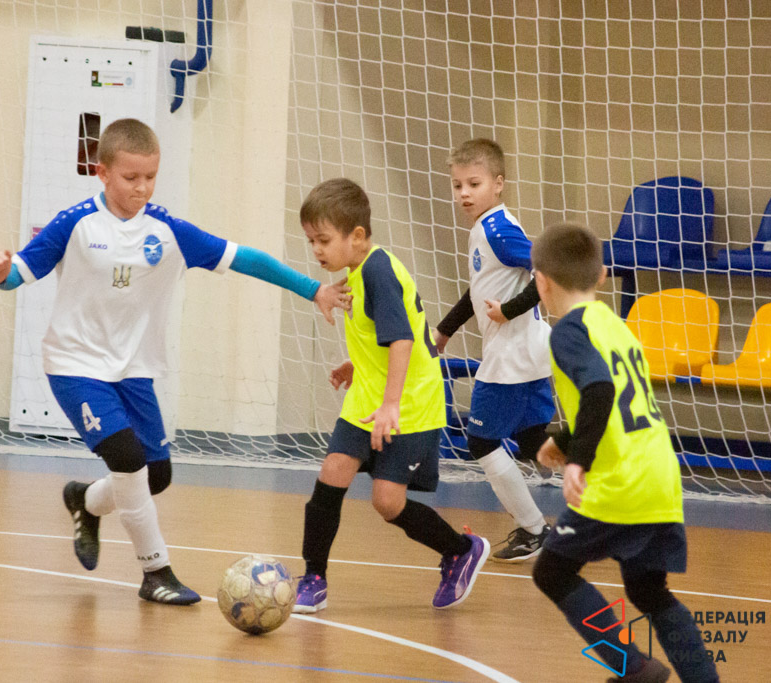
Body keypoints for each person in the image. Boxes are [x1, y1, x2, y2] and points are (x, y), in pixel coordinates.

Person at [0, 118, 350, 606]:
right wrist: (0, 274)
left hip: (134, 371)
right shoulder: (74, 224)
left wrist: (314, 289)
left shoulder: (169, 231)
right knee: (127, 459)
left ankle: (85, 500)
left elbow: (246, 259)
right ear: (102, 173)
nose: (142, 187)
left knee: (156, 475)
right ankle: (156, 573)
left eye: (151, 177)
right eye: (131, 177)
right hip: (75, 365)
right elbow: (19, 274)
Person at [531, 223, 719, 683]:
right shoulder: (617, 325)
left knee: (552, 572)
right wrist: (565, 440)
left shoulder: (568, 331)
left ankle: (632, 668)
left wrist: (578, 460)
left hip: (620, 479)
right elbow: (616, 397)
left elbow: (599, 389)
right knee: (649, 591)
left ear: (541, 281)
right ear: (600, 276)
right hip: (659, 473)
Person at [292, 177, 489, 614]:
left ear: (357, 235)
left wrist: (391, 404)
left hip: (410, 403)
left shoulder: (378, 272)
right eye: (311, 242)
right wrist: (357, 363)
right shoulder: (357, 272)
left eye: (323, 240)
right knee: (332, 473)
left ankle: (460, 550)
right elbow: (382, 336)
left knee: (387, 501)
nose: (316, 250)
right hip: (370, 395)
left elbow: (402, 340)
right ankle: (314, 578)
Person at [435, 138, 553, 562]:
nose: (464, 193)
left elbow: (546, 270)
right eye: (457, 185)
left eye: (474, 184)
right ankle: (615, 492)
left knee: (481, 442)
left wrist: (509, 310)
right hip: (529, 352)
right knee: (533, 439)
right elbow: (481, 291)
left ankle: (535, 531)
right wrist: (445, 330)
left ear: (498, 183)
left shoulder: (497, 230)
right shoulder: (487, 227)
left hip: (511, 358)